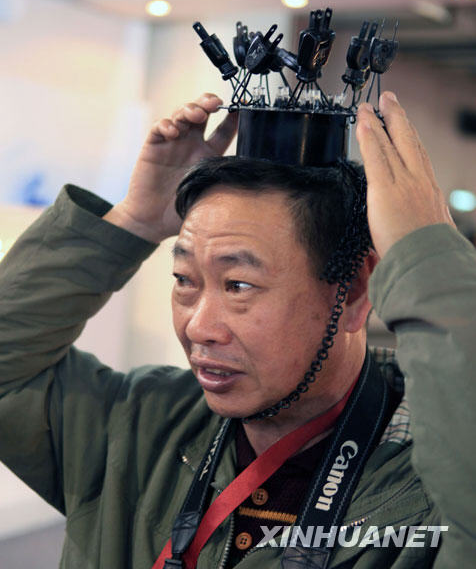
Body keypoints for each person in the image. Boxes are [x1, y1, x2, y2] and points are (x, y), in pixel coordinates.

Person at [0, 91, 475, 569]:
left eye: (239, 285)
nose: (198, 327)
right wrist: (134, 221)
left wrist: (427, 261)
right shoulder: (141, 427)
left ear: (351, 291)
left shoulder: (429, 490)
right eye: (184, 280)